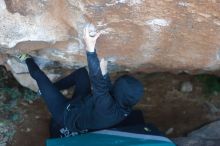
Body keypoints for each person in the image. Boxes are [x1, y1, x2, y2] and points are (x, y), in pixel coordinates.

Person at [17, 25, 144, 137]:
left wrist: (90, 48)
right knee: (82, 74)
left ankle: (26, 58)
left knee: (40, 76)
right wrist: (104, 74)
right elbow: (107, 91)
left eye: (118, 85)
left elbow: (98, 84)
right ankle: (46, 90)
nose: (115, 84)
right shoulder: (125, 105)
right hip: (84, 104)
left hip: (66, 115)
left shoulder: (108, 110)